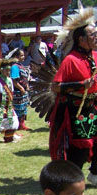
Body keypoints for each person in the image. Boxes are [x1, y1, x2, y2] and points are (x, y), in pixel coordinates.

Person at [49, 8, 97, 185]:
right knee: (81, 146)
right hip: (75, 109)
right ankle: (72, 179)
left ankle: (95, 174)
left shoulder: (95, 56)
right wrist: (80, 85)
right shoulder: (71, 60)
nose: (96, 38)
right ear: (81, 39)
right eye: (92, 35)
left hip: (93, 106)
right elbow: (56, 87)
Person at [0, 59, 20, 143]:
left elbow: (11, 92)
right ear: (1, 70)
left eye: (9, 70)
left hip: (9, 105)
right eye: (6, 70)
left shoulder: (10, 80)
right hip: (0, 105)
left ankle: (9, 138)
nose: (8, 72)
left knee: (13, 120)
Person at [11, 48, 31, 130]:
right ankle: (18, 125)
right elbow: (14, 80)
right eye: (21, 55)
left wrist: (27, 86)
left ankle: (22, 124)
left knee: (23, 108)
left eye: (23, 55)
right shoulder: (15, 67)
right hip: (17, 91)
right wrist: (21, 88)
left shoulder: (21, 66)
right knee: (18, 109)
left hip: (23, 91)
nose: (23, 56)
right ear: (16, 56)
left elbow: (25, 78)